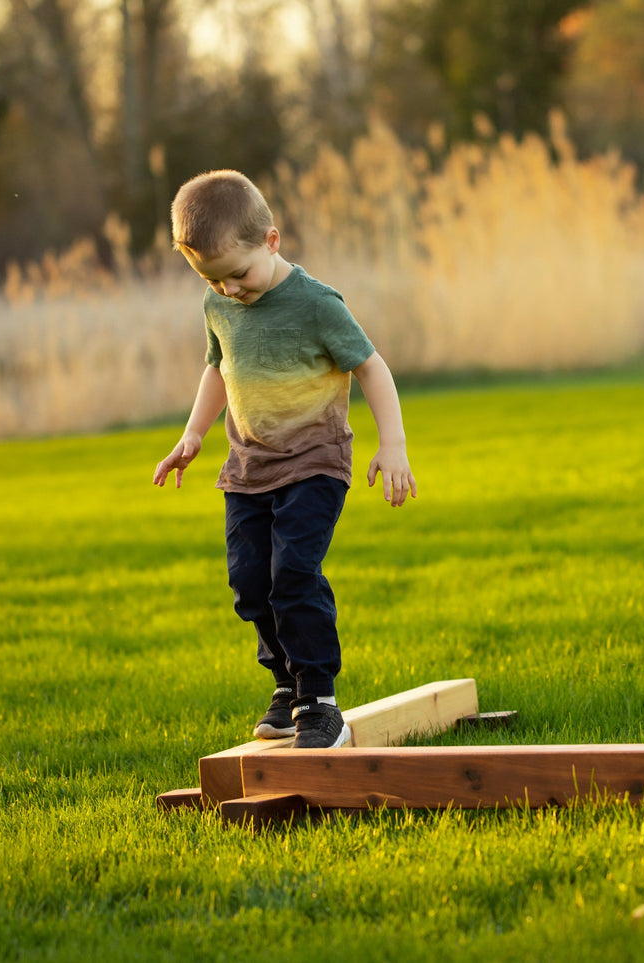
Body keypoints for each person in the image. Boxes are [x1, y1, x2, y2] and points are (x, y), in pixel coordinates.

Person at [153, 169, 416, 749]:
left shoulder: (317, 304)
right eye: (214, 281)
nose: (230, 291)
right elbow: (217, 367)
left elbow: (372, 367)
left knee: (293, 574)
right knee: (249, 584)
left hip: (314, 463)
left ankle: (319, 700)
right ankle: (286, 685)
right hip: (248, 469)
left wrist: (391, 443)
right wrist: (193, 434)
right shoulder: (218, 301)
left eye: (238, 275)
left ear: (271, 241)